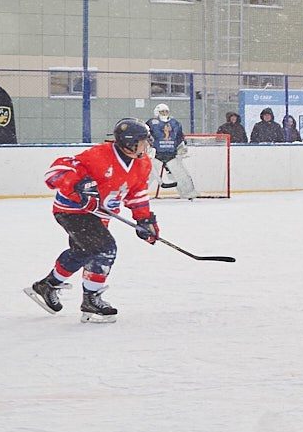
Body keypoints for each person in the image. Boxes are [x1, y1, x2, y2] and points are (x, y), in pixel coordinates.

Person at [26, 118, 158, 322]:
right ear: (130, 143)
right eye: (143, 141)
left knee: (83, 251)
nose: (147, 145)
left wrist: (145, 220)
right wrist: (79, 184)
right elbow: (55, 172)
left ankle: (47, 286)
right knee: (105, 249)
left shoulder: (143, 164)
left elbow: (136, 193)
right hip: (73, 210)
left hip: (99, 215)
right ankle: (91, 300)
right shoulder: (99, 155)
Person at [146, 102, 191, 197]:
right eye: (162, 111)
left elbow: (179, 137)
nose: (164, 113)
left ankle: (187, 193)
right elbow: (146, 135)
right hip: (157, 154)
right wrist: (148, 145)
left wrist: (182, 146)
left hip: (171, 154)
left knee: (179, 175)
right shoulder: (151, 122)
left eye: (166, 111)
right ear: (157, 112)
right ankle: (140, 193)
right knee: (149, 175)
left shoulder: (175, 123)